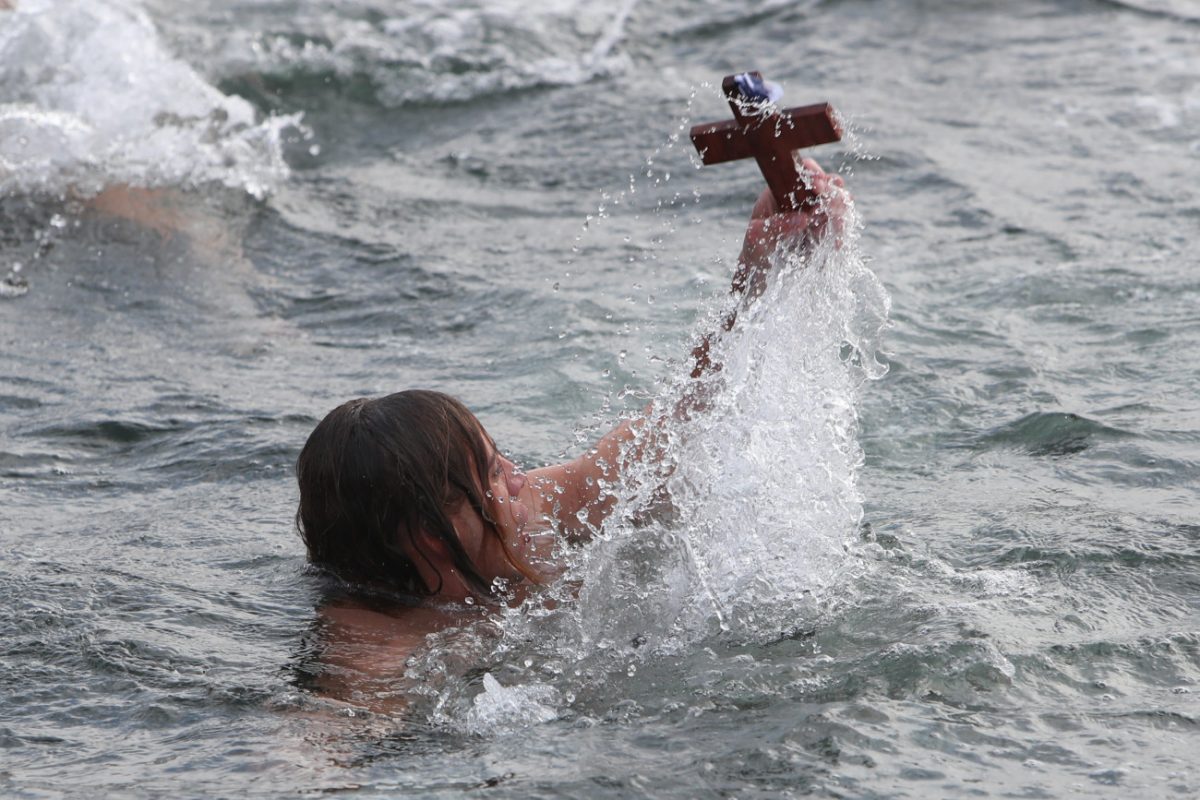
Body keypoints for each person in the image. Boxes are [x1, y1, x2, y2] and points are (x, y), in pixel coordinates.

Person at [294, 159, 847, 707]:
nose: (519, 477)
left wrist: (755, 276)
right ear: (436, 535)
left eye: (501, 458)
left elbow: (674, 432)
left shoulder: (523, 514)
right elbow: (315, 754)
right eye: (492, 473)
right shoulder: (372, 649)